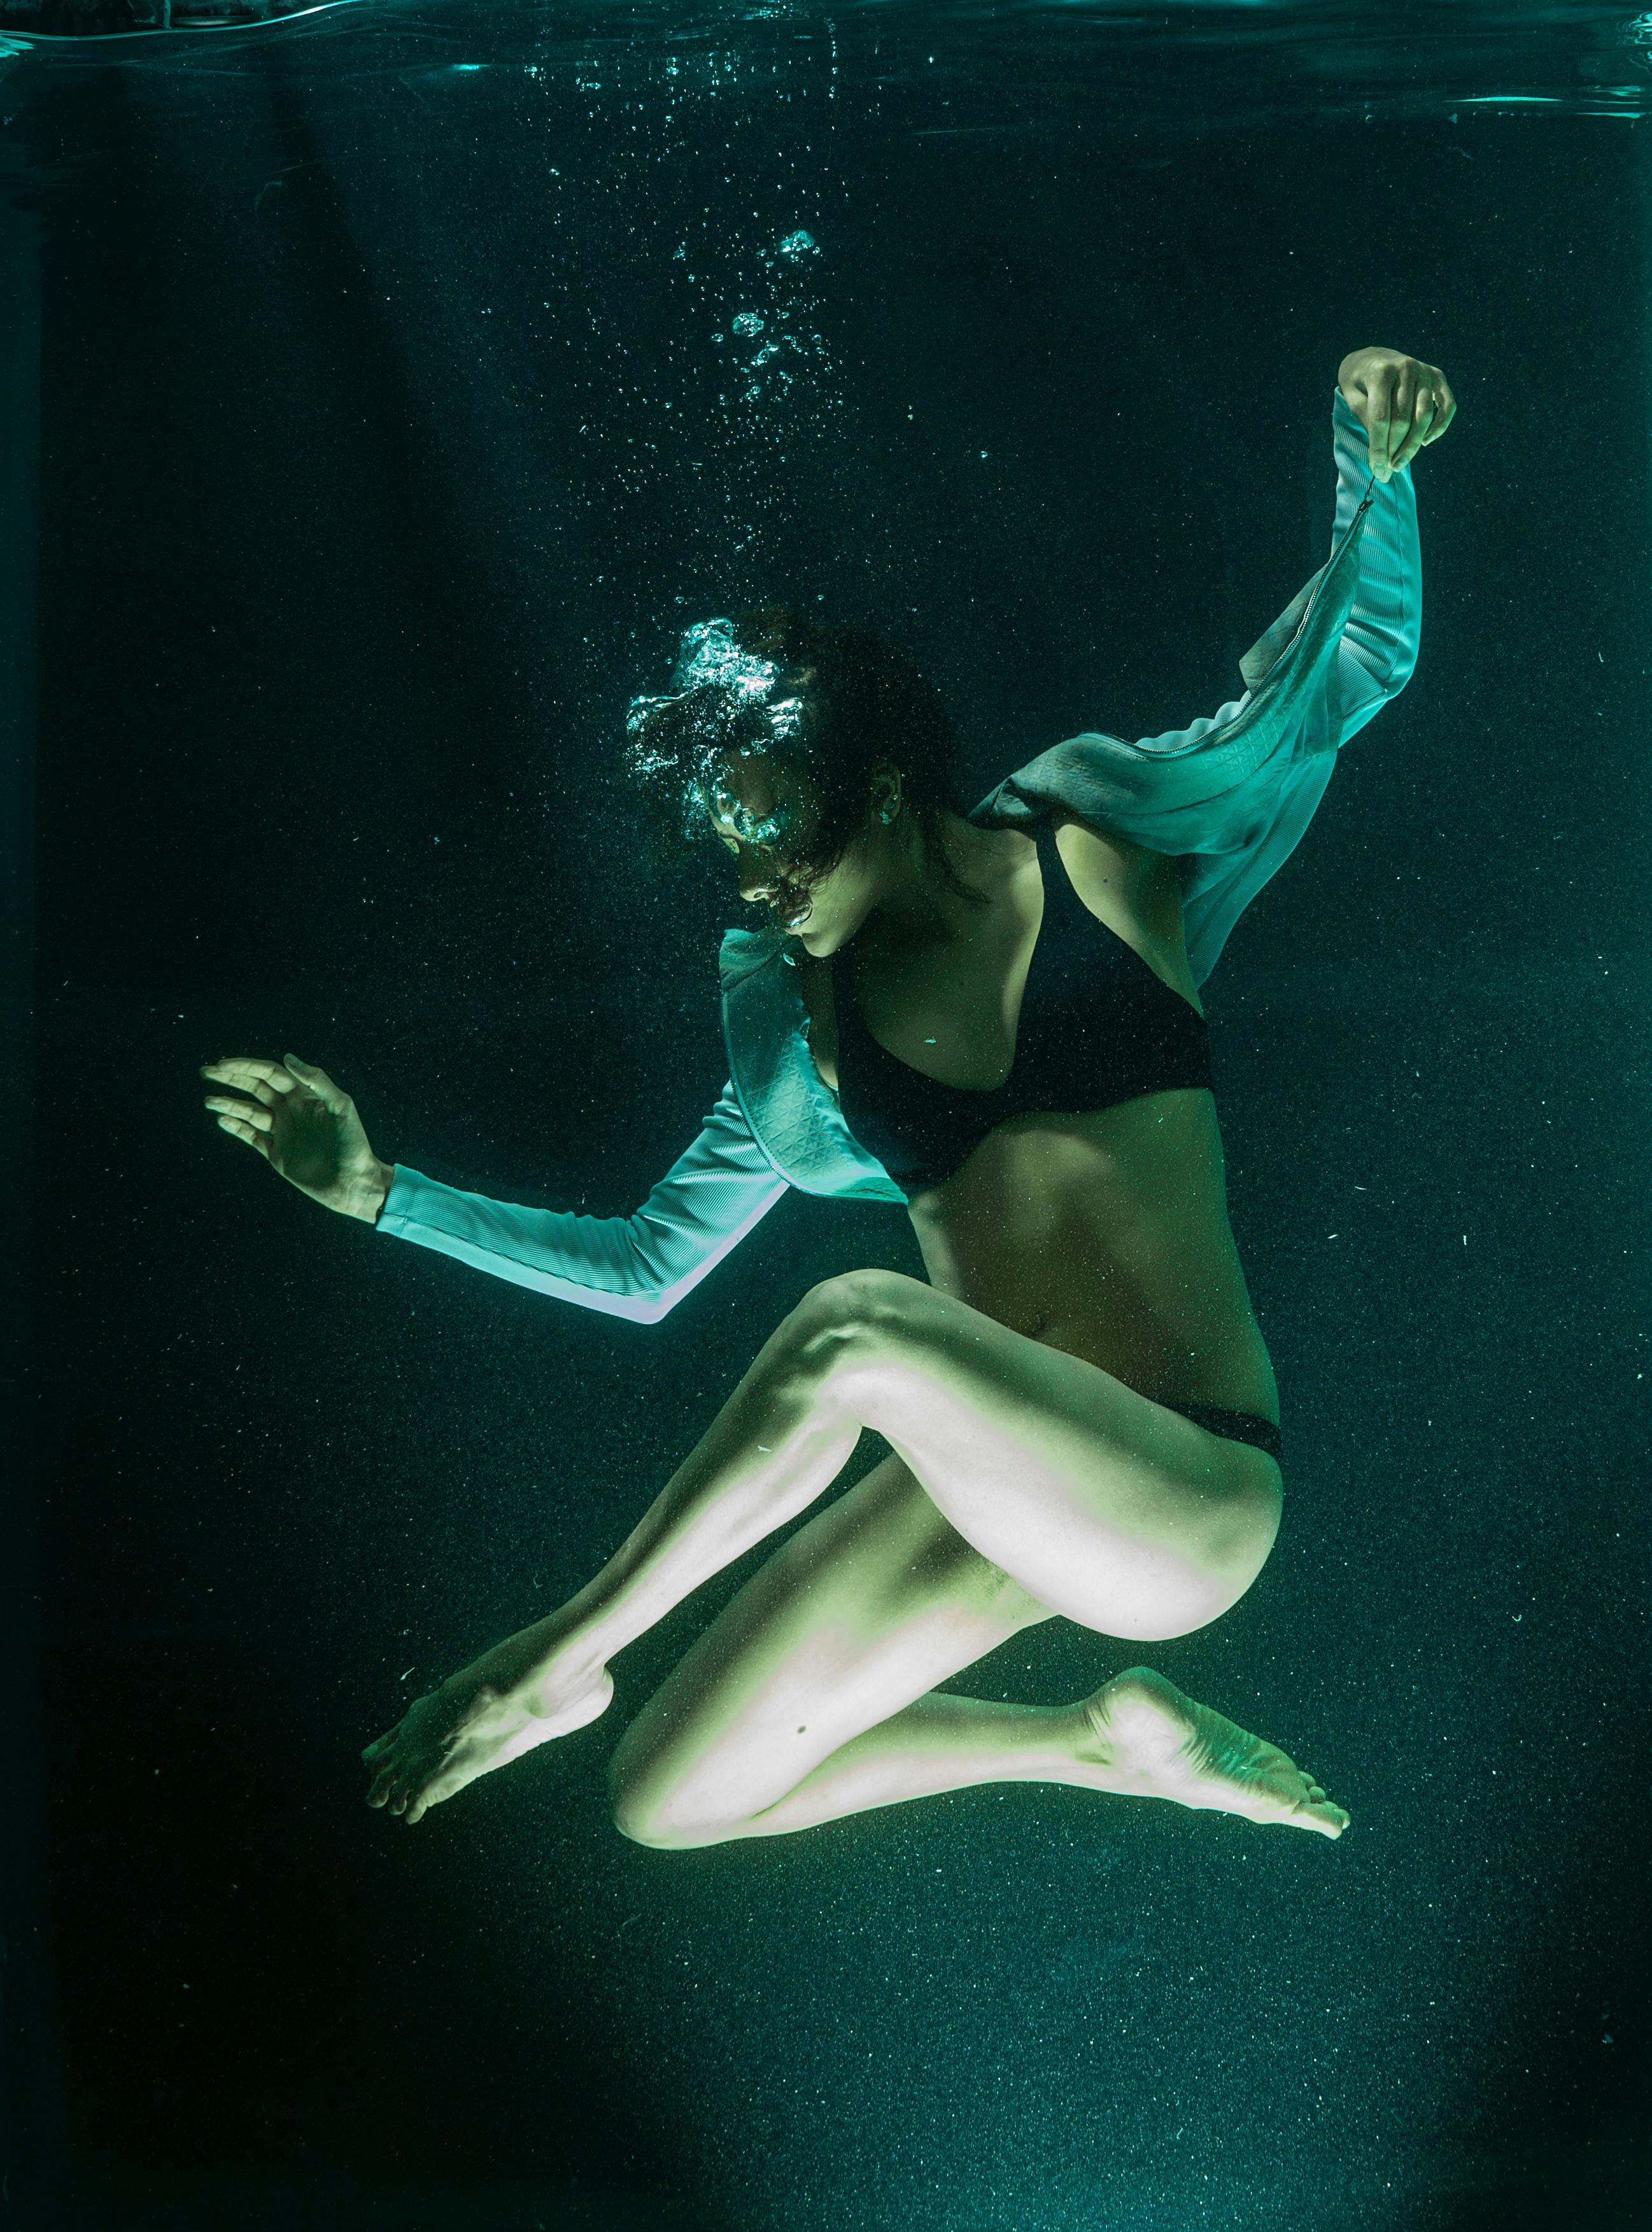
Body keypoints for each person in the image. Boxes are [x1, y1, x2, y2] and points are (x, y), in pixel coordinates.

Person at [203, 346, 1453, 1846]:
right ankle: (1092, 1742)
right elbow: (651, 1265)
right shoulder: (798, 1025)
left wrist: (1366, 470)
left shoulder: (1097, 840)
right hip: (992, 1503)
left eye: (770, 829)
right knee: (668, 1800)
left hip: (1182, 1496)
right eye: (726, 854)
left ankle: (556, 1657)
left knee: (855, 1325)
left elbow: (1339, 672)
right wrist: (381, 1193)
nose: (752, 880)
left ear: (868, 780)